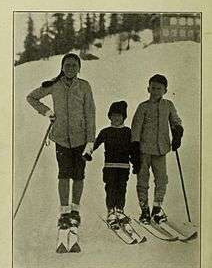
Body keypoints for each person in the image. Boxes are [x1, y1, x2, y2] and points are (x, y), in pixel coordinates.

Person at [26, 53, 96, 229]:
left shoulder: (84, 86)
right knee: (64, 174)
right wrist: (47, 112)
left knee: (79, 175)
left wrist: (90, 141)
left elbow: (90, 114)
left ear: (79, 68)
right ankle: (64, 211)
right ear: (62, 67)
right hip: (61, 138)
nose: (70, 68)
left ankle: (75, 210)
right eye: (67, 65)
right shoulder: (54, 84)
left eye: (74, 65)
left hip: (81, 139)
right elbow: (32, 97)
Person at [131, 74, 184, 224]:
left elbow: (175, 120)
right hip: (144, 150)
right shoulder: (143, 107)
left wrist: (178, 131)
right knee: (143, 180)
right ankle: (144, 210)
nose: (155, 91)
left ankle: (157, 207)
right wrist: (134, 146)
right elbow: (136, 128)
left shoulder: (168, 105)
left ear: (165, 90)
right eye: (153, 88)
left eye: (159, 88)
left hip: (161, 149)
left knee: (162, 180)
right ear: (148, 88)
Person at [90, 101, 139, 229]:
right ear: (109, 117)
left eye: (119, 115)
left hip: (123, 167)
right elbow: (95, 143)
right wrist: (88, 152)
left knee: (122, 188)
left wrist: (136, 163)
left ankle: (120, 210)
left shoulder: (128, 132)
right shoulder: (105, 131)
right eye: (114, 115)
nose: (116, 118)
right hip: (110, 166)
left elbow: (133, 150)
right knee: (110, 188)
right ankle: (111, 211)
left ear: (124, 117)